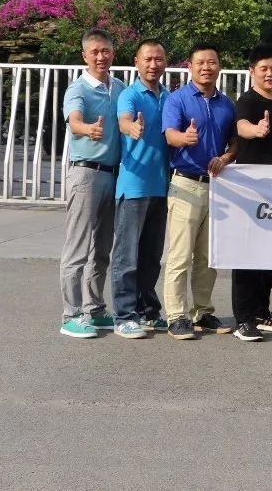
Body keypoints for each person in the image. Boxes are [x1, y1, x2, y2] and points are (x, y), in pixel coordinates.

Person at [161, 43, 237, 340]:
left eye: (212, 62)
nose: (207, 67)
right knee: (180, 254)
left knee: (207, 256)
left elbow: (235, 144)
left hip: (216, 186)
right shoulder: (177, 99)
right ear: (190, 66)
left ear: (219, 66)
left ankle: (202, 312)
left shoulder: (226, 104)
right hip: (185, 183)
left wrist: (226, 158)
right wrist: (185, 137)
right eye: (201, 62)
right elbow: (169, 135)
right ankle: (176, 316)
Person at [59, 29, 126, 338]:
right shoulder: (78, 89)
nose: (101, 56)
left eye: (106, 51)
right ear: (84, 55)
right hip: (85, 174)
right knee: (78, 247)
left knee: (102, 248)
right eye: (95, 52)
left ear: (113, 53)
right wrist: (86, 129)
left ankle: (94, 309)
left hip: (113, 174)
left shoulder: (120, 88)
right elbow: (74, 120)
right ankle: (70, 315)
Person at [229, 44, 272, 342]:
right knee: (247, 254)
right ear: (251, 71)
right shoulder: (248, 100)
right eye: (263, 68)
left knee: (269, 253)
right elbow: (241, 126)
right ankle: (243, 318)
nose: (270, 73)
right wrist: (256, 130)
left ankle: (261, 311)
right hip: (251, 187)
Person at [108, 38, 170, 339]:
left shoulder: (168, 96)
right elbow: (123, 121)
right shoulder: (129, 95)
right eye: (147, 59)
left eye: (158, 59)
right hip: (133, 188)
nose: (153, 64)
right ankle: (124, 315)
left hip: (161, 188)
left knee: (151, 257)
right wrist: (132, 127)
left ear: (165, 62)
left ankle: (148, 312)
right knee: (126, 257)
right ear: (136, 62)